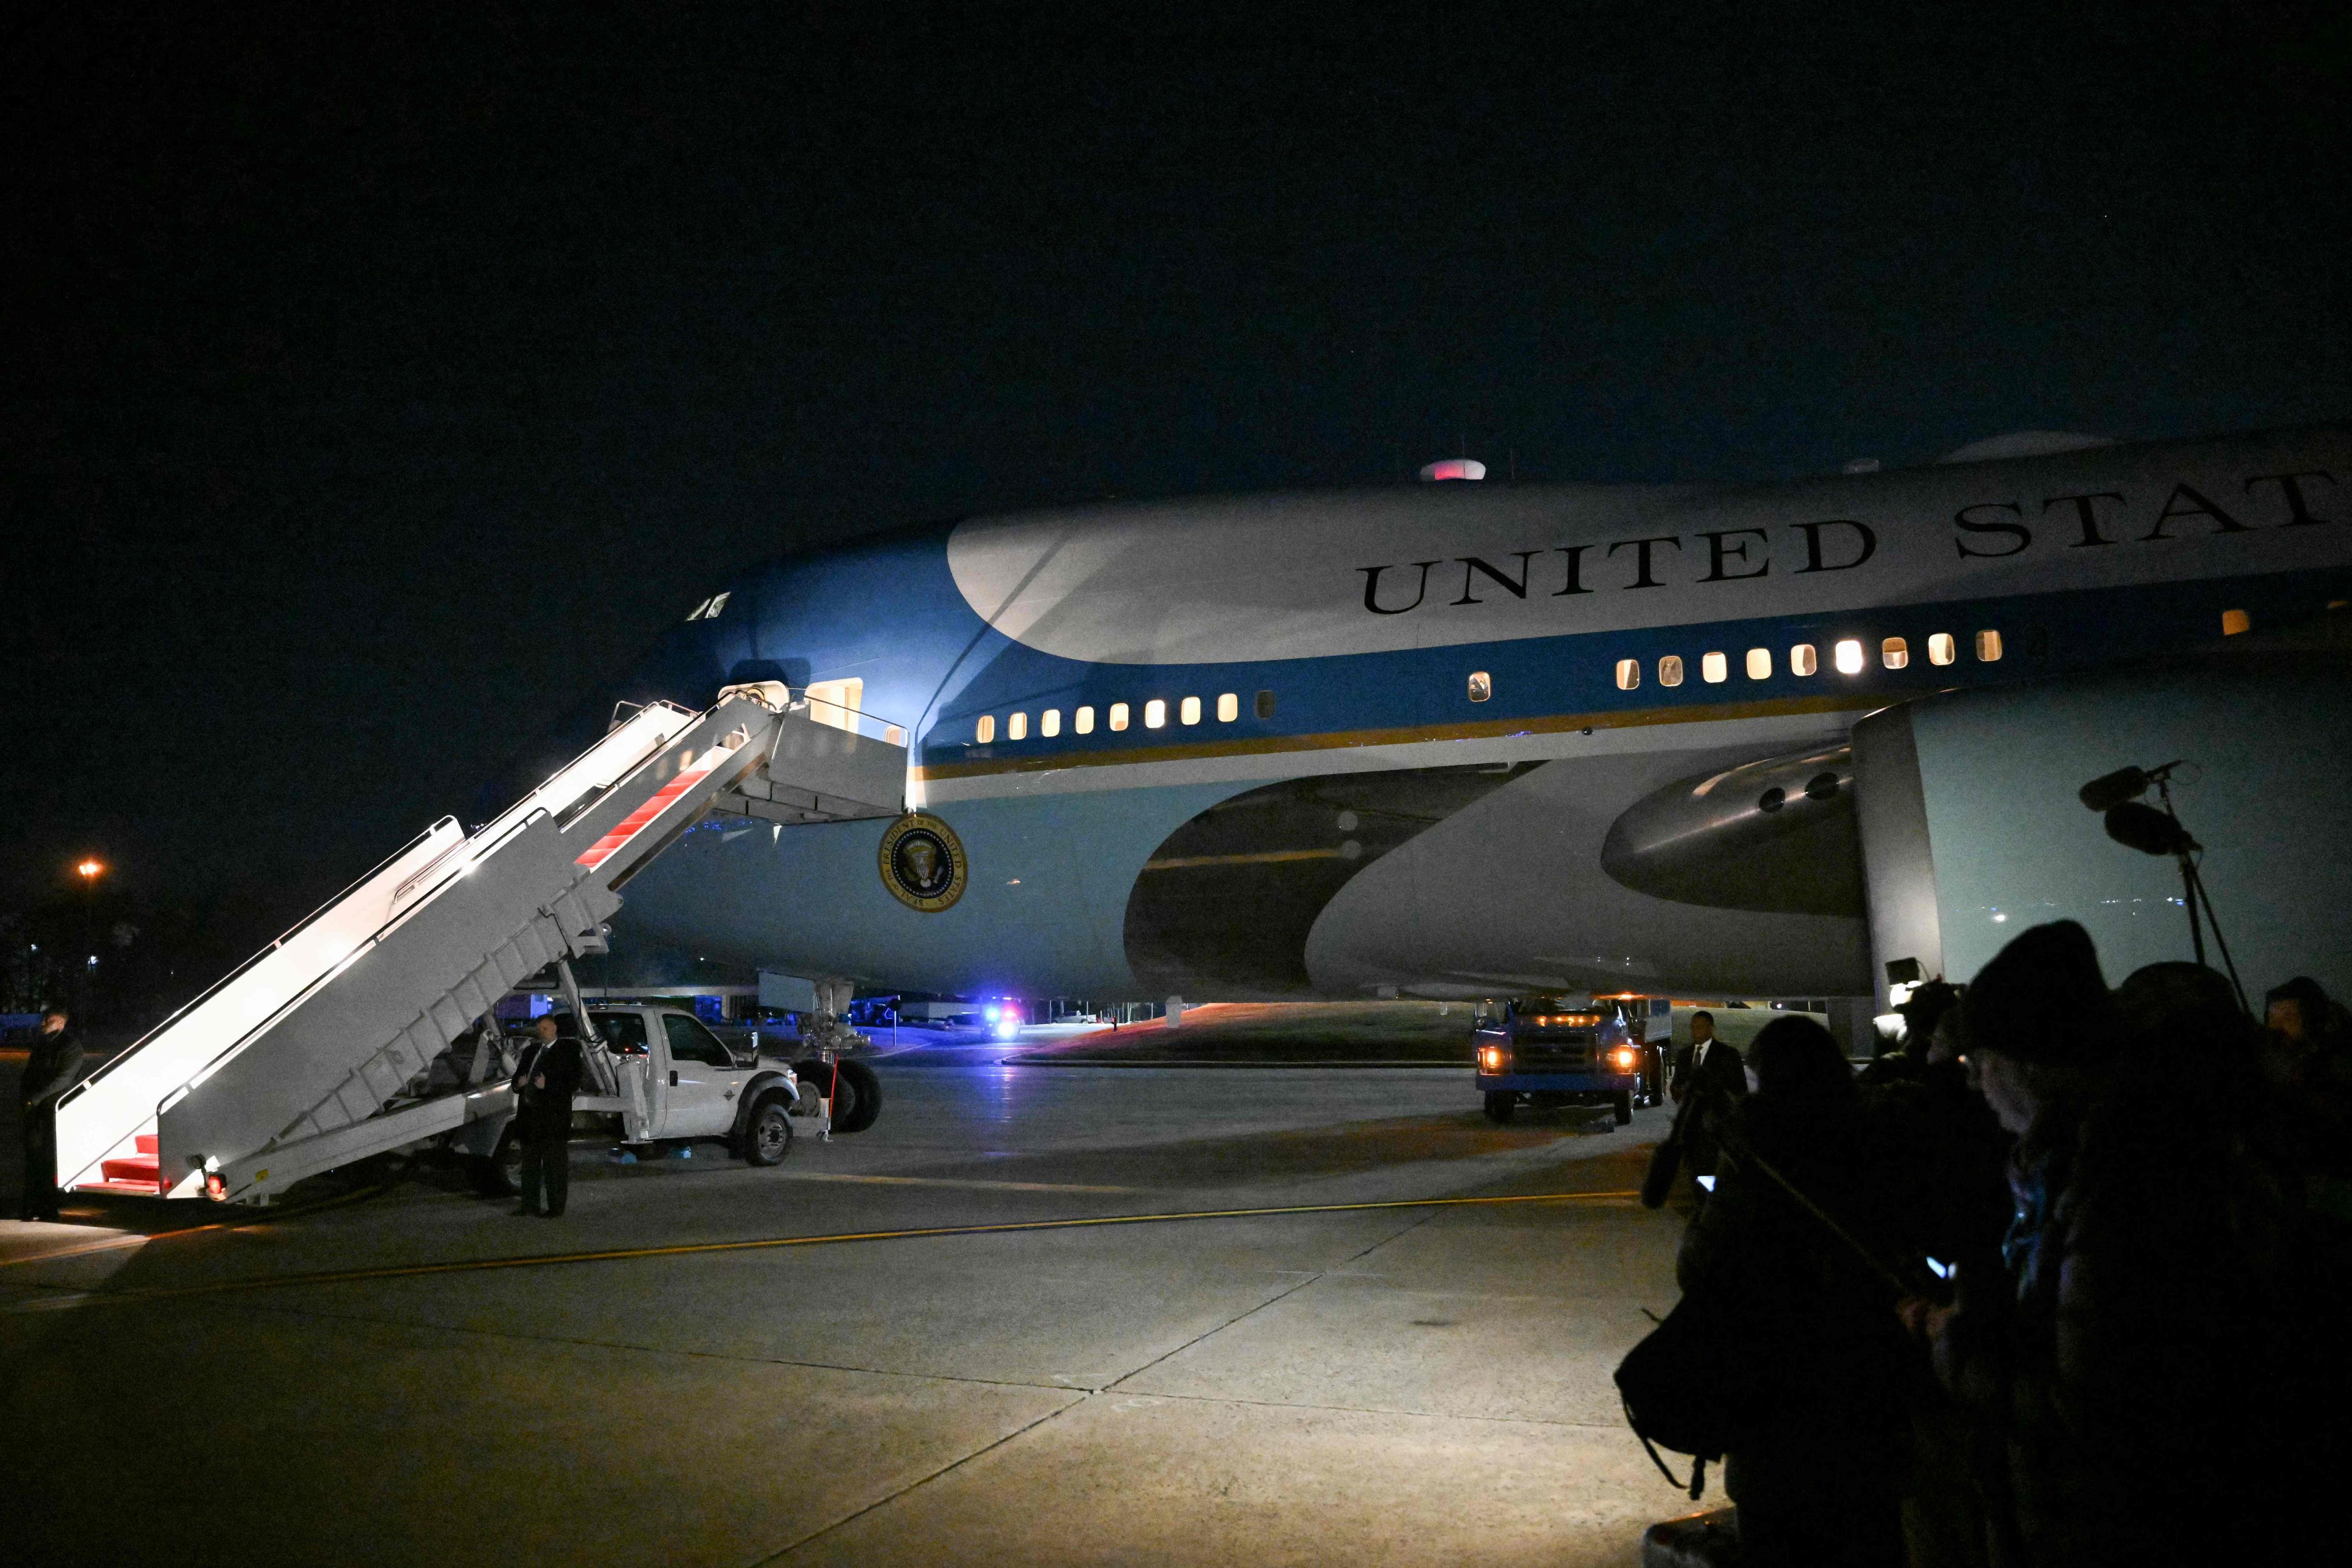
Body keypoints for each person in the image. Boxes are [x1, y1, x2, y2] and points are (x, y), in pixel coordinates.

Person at [1913, 922, 2316, 1568]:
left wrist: (1953, 1341)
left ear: (2029, 1061)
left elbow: (2092, 1414)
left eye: (1980, 1062)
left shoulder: (2124, 1186)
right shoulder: (2080, 1167)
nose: (1974, 1085)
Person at [1676, 1015, 1913, 1568]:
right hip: (1872, 1401)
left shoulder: (1758, 1159)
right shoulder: (1879, 1142)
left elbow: (1698, 1269)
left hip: (1776, 1409)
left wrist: (1710, 1198)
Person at [511, 1014, 584, 1218]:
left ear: (554, 1028)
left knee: (554, 1167)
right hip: (529, 1118)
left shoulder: (568, 1051)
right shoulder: (531, 1051)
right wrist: (519, 1083)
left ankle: (556, 1207)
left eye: (545, 1028)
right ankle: (529, 1205)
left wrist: (548, 1085)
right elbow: (516, 1078)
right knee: (530, 1166)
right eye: (539, 1028)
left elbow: (574, 1081)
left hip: (552, 1119)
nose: (541, 1032)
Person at [17, 1005, 85, 1222]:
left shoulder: (71, 1047)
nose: (43, 1023)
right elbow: (30, 1073)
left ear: (61, 1023)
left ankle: (47, 1206)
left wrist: (35, 1098)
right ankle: (32, 1205)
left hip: (53, 1109)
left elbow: (63, 1080)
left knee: (47, 1159)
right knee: (33, 1158)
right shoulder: (42, 1044)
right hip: (35, 1107)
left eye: (49, 1020)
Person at [1669, 1010, 1746, 1196]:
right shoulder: (1684, 1055)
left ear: (1711, 1028)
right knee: (1696, 1170)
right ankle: (1703, 1200)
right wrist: (1680, 1093)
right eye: (1694, 1027)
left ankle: (1710, 1203)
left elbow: (1739, 1089)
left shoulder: (1728, 1055)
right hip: (1692, 1126)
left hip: (1716, 1126)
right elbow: (1676, 1084)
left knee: (1711, 1168)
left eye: (1701, 1027)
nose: (1697, 1031)